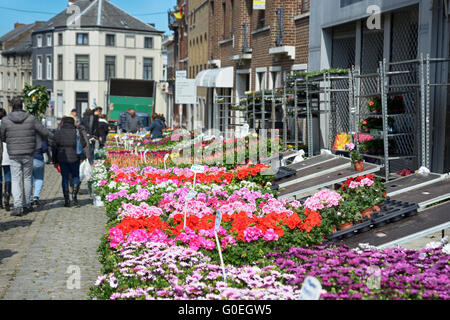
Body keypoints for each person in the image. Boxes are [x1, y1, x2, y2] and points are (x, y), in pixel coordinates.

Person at [1, 97, 50, 216]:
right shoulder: (31, 118)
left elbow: (2, 136)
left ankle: (17, 206)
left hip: (13, 153)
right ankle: (27, 204)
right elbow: (45, 132)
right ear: (22, 106)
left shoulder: (6, 120)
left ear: (11, 107)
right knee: (27, 178)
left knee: (15, 179)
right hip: (29, 152)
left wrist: (10, 141)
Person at [52, 116, 86, 207]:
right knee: (75, 176)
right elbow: (84, 144)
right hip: (75, 157)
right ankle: (74, 196)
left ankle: (66, 200)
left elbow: (54, 147)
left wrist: (54, 160)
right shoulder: (77, 132)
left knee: (65, 178)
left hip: (62, 158)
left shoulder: (58, 132)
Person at [30, 139, 48, 207]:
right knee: (39, 179)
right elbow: (45, 148)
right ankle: (36, 196)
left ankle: (29, 198)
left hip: (28, 159)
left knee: (29, 180)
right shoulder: (40, 135)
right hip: (38, 159)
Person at [0, 108, 9, 210]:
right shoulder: (8, 124)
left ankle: (0, 203)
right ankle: (6, 197)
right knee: (8, 176)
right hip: (7, 153)